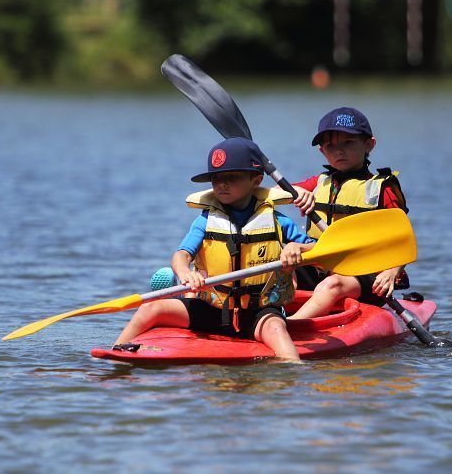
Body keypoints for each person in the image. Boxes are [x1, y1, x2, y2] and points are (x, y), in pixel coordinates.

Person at [112, 137, 314, 361]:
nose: (222, 184)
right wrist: (185, 273)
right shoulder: (205, 221)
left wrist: (296, 248)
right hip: (213, 310)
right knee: (152, 309)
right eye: (216, 178)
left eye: (232, 177)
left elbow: (317, 250)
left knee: (276, 329)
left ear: (255, 180)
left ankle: (293, 373)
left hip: (259, 312)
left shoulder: (277, 221)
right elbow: (181, 256)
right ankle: (116, 352)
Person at [282, 106, 410, 320]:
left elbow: (403, 237)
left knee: (333, 284)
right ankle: (273, 314)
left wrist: (392, 272)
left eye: (348, 143)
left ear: (369, 144)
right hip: (324, 266)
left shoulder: (382, 188)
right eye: (330, 146)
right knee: (281, 265)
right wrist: (297, 194)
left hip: (369, 274)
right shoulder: (317, 183)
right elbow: (269, 195)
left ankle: (293, 325)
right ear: (322, 151)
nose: (339, 151)